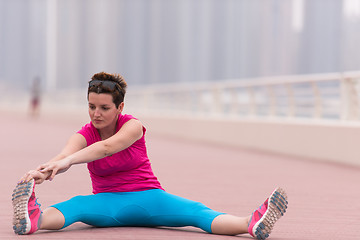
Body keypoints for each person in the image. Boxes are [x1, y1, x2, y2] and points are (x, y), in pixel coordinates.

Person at [12, 72, 288, 239]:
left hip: (152, 198)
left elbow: (108, 148)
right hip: (107, 204)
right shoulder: (84, 132)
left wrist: (68, 161)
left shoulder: (132, 126)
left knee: (198, 213)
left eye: (104, 108)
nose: (96, 113)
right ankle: (33, 219)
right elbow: (65, 154)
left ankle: (251, 224)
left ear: (120, 107)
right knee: (75, 207)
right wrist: (46, 170)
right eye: (91, 106)